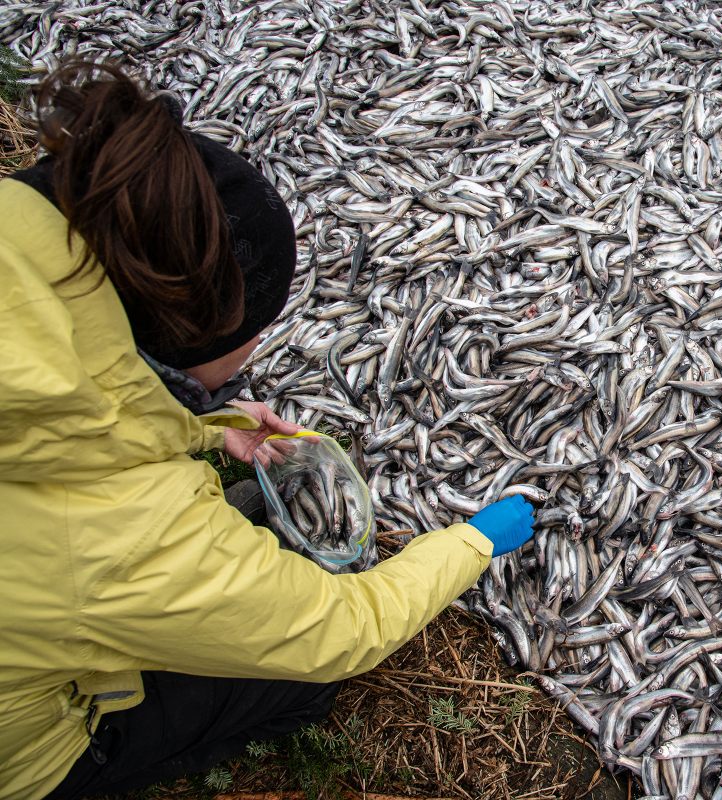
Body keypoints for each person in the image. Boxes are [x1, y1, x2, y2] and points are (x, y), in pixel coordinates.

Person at [0, 60, 536, 800]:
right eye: (258, 327)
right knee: (299, 684)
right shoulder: (120, 540)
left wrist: (203, 427)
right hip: (23, 753)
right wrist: (472, 541)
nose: (259, 344)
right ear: (195, 329)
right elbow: (343, 631)